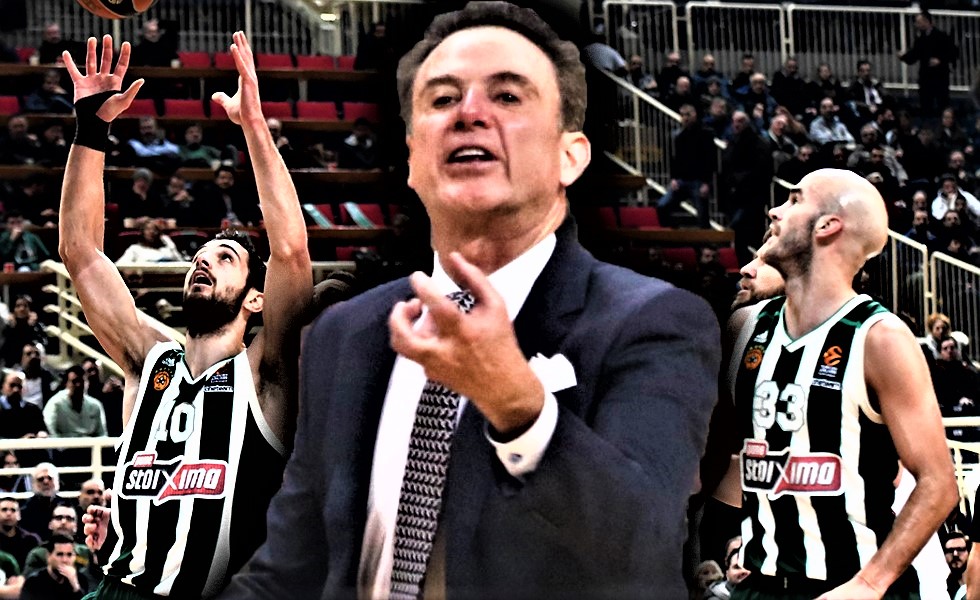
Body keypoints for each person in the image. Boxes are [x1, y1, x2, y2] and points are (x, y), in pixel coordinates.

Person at [220, 3, 720, 598]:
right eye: (443, 98)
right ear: (411, 159)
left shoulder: (657, 321)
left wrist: (519, 406)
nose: (470, 113)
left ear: (571, 155)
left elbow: (641, 549)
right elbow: (289, 568)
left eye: (507, 96)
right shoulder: (344, 333)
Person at [60, 31, 312, 599]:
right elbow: (81, 252)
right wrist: (91, 130)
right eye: (200, 256)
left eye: (225, 259)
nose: (203, 262)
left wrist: (254, 127)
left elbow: (292, 251)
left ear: (255, 298)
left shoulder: (265, 376)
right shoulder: (149, 359)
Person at [727, 169, 957, 598]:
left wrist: (870, 583)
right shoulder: (746, 326)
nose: (775, 211)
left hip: (850, 583)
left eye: (794, 200)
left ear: (828, 225)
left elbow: (939, 483)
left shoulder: (880, 338)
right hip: (760, 585)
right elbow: (729, 460)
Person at [22, 505, 101, 591]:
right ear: (50, 524)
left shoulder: (87, 552)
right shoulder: (37, 554)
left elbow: (95, 583)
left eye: (69, 519)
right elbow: (29, 584)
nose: (63, 522)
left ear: (76, 526)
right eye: (58, 518)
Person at [899, 10, 957, 118]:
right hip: (926, 76)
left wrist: (940, 60)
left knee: (942, 104)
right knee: (925, 105)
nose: (916, 25)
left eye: (918, 22)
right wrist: (903, 57)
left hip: (940, 76)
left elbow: (953, 53)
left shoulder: (941, 36)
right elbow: (914, 56)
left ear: (926, 21)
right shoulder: (920, 38)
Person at [19, 534, 86, 599]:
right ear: (48, 556)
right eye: (60, 554)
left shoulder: (80, 580)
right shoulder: (33, 583)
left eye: (69, 554)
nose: (65, 560)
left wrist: (75, 585)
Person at [115, 220, 183, 264]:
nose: (151, 232)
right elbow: (120, 265)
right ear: (143, 233)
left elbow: (181, 263)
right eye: (148, 229)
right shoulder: (135, 249)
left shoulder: (167, 249)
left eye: (155, 230)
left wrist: (170, 244)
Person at [0, 497, 41, 569]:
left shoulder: (31, 540)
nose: (9, 513)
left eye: (13, 510)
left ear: (19, 515)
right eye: (4, 510)